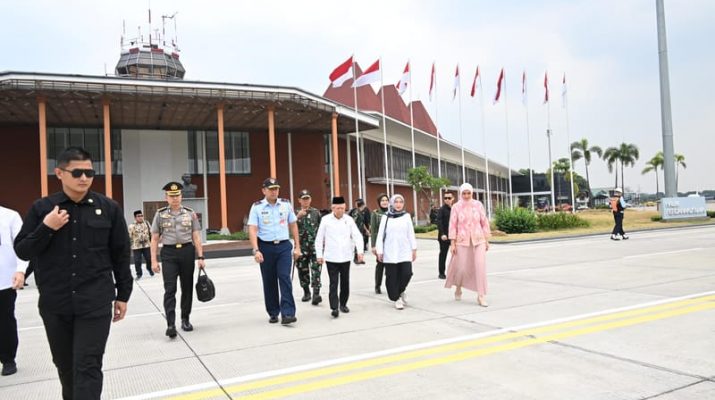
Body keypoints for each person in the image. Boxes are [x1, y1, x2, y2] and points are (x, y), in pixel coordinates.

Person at [14, 146, 132, 400]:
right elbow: (23, 250)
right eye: (77, 172)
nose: (84, 178)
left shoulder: (108, 208)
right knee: (66, 368)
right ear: (59, 173)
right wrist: (47, 227)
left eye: (89, 172)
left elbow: (121, 253)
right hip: (56, 304)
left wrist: (123, 294)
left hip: (95, 301)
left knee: (88, 366)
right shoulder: (43, 209)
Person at [150, 181, 206, 338]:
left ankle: (185, 319)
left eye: (177, 195)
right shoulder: (160, 214)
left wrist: (200, 256)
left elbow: (196, 235)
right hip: (168, 253)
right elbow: (154, 239)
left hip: (187, 252)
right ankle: (170, 323)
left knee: (187, 288)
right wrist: (153, 261)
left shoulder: (190, 213)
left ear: (181, 196)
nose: (175, 198)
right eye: (171, 196)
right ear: (166, 197)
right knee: (170, 289)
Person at [247, 178, 301, 325]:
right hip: (266, 247)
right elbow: (252, 228)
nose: (274, 191)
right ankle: (273, 312)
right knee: (269, 280)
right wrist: (256, 249)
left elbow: (293, 225)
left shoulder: (285, 204)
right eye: (271, 189)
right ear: (264, 190)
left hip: (284, 246)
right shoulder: (257, 207)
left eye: (276, 188)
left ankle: (288, 313)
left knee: (284, 278)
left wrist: (297, 247)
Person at [314, 196, 363, 318]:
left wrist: (360, 252)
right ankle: (334, 307)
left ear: (345, 207)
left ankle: (343, 304)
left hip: (346, 256)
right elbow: (319, 238)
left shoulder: (349, 220)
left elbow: (357, 236)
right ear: (332, 208)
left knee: (345, 282)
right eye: (337, 208)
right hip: (331, 257)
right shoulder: (325, 220)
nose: (340, 210)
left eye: (342, 208)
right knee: (333, 282)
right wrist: (319, 255)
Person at [444, 183, 491, 307]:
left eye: (468, 193)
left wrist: (486, 239)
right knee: (461, 268)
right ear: (460, 193)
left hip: (478, 240)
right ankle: (458, 287)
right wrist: (452, 243)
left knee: (480, 267)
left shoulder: (478, 205)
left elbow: (484, 222)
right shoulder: (456, 207)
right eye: (464, 193)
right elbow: (452, 225)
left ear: (472, 193)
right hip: (462, 241)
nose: (466, 195)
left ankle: (481, 296)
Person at [375, 194, 416, 310]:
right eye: (396, 202)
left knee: (407, 273)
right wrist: (380, 251)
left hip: (404, 251)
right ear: (392, 203)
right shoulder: (386, 217)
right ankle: (396, 297)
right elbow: (380, 235)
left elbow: (411, 234)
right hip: (390, 251)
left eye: (401, 202)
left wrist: (414, 249)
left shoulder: (406, 216)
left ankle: (401, 290)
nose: (398, 204)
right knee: (392, 276)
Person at [0, 205, 28, 376]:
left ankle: (8, 359)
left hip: (4, 280)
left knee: (5, 320)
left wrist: (21, 270)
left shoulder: (9, 216)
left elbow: (21, 246)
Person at [295, 189, 323, 305]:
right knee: (302, 270)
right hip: (301, 247)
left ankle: (316, 293)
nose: (306, 201)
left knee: (316, 270)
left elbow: (322, 230)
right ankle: (306, 292)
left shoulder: (316, 213)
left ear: (310, 199)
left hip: (315, 247)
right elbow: (289, 228)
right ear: (299, 200)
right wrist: (297, 217)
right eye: (303, 199)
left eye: (307, 198)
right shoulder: (294, 212)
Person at [369, 194, 389, 294]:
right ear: (379, 202)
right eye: (382, 200)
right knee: (380, 265)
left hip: (390, 243)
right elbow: (373, 230)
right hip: (380, 243)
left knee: (390, 265)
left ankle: (390, 285)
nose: (385, 202)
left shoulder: (392, 213)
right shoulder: (375, 214)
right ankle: (378, 285)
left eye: (386, 200)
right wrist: (373, 246)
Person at [128, 210, 153, 280]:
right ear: (135, 217)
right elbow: (129, 236)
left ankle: (149, 268)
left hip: (147, 245)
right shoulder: (131, 226)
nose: (140, 217)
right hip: (136, 246)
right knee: (137, 261)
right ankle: (139, 273)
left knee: (148, 258)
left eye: (141, 216)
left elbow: (151, 233)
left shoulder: (147, 224)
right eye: (138, 216)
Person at [436, 192, 454, 279]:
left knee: (456, 255)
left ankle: (456, 272)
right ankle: (441, 273)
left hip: (453, 236)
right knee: (443, 255)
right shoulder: (441, 210)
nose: (447, 199)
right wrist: (442, 234)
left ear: (452, 199)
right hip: (444, 237)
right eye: (445, 198)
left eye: (449, 198)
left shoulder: (455, 209)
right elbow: (439, 222)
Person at [348, 199, 369, 264]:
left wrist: (366, 230)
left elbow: (362, 223)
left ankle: (359, 258)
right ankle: (356, 259)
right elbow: (353, 222)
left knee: (360, 245)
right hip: (356, 232)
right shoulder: (356, 212)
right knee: (356, 245)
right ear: (363, 205)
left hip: (360, 231)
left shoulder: (360, 212)